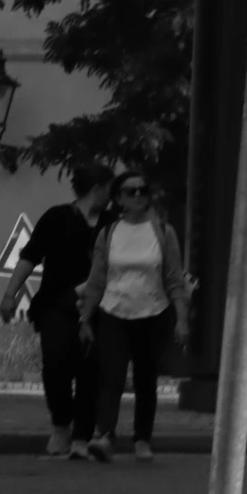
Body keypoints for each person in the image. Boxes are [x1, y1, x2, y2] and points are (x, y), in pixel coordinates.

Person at [76, 171, 192, 463]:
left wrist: (181, 319)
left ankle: (142, 438)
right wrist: (85, 318)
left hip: (153, 313)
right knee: (111, 375)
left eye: (142, 190)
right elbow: (96, 280)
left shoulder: (163, 232)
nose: (138, 195)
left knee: (145, 378)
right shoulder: (109, 233)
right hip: (113, 311)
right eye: (130, 191)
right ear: (118, 199)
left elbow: (174, 279)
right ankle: (104, 436)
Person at [0, 165, 110, 458]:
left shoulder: (112, 222)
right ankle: (61, 423)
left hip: (99, 306)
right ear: (96, 187)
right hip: (56, 304)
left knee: (91, 371)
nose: (111, 196)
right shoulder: (57, 217)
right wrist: (10, 294)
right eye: (109, 189)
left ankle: (81, 437)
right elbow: (29, 256)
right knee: (55, 364)